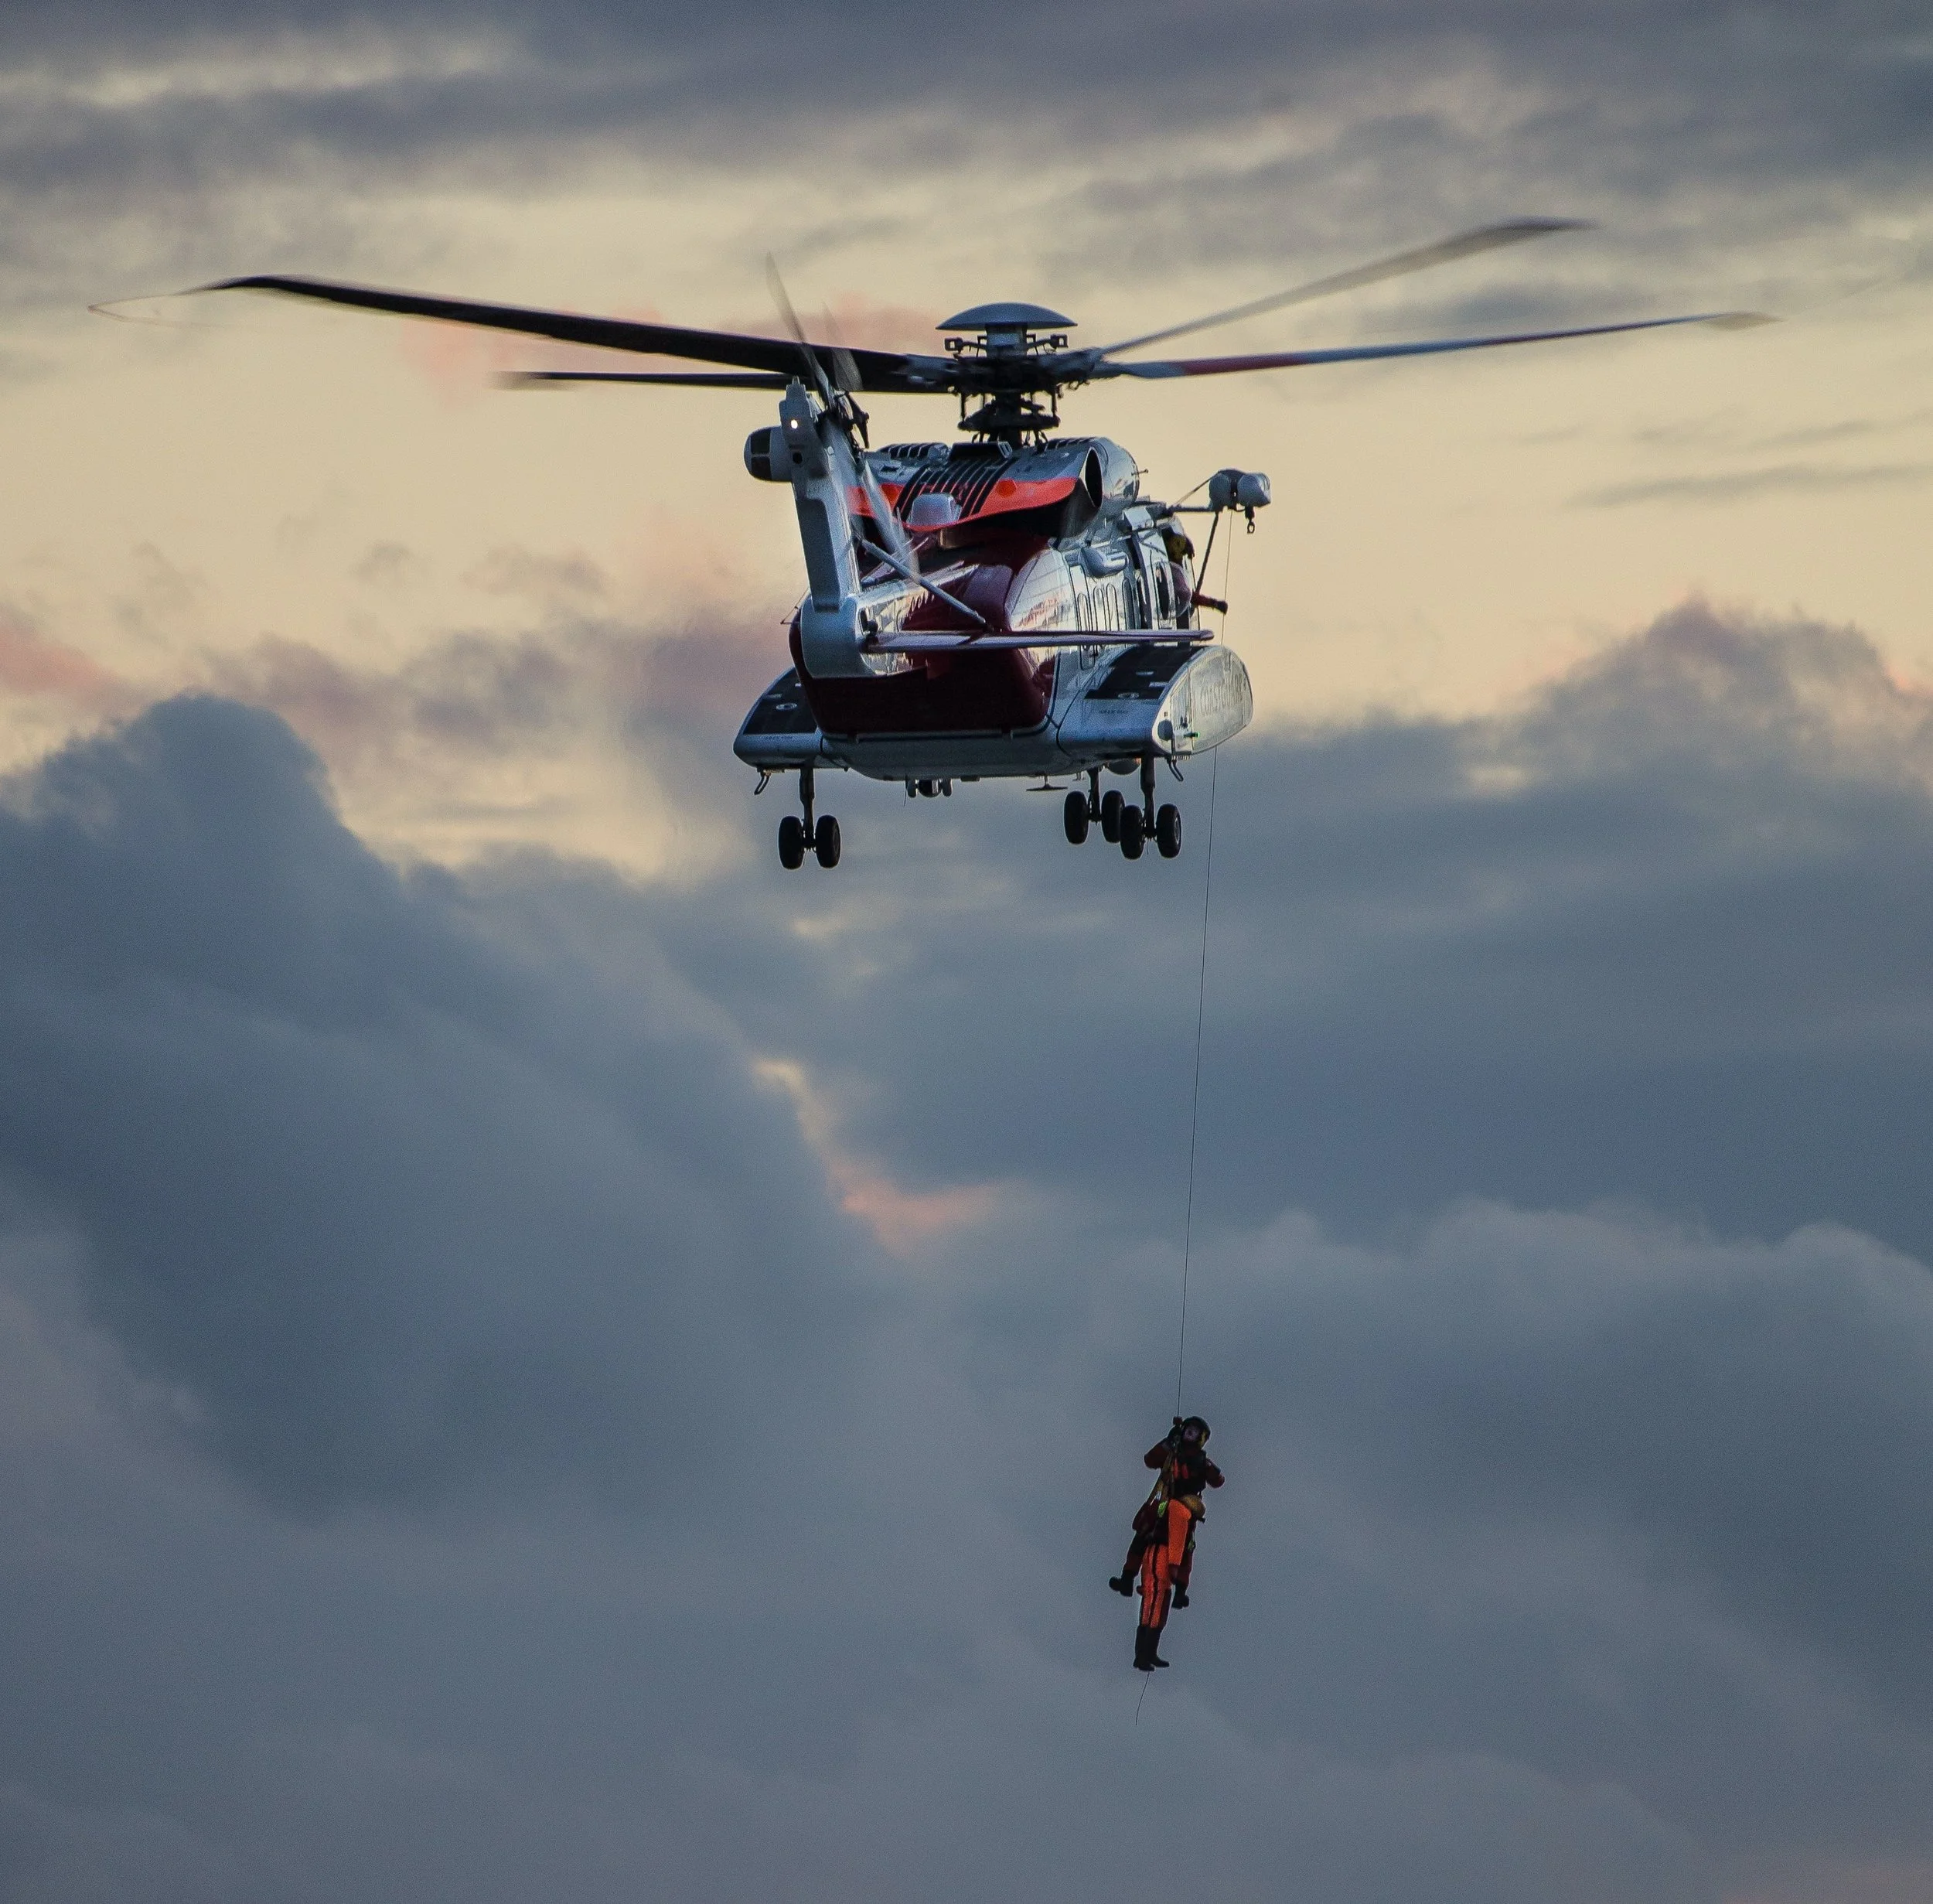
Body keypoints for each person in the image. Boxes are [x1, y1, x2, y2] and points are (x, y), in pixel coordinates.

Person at [1110, 1415, 1223, 1670]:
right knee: (1154, 1594)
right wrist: (1167, 1443)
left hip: (1174, 1531)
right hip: (1159, 1537)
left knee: (1164, 1593)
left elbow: (1218, 1480)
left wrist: (1206, 1468)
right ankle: (1128, 1581)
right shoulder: (1170, 1453)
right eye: (1188, 1430)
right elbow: (1150, 1460)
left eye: (1196, 1432)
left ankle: (1151, 1648)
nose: (1190, 1435)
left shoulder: (1200, 1465)